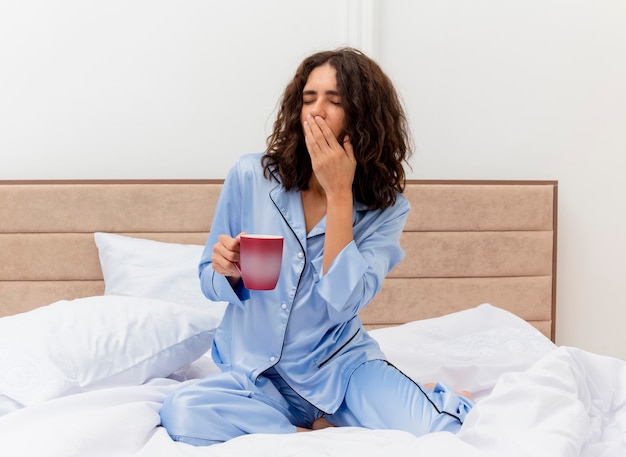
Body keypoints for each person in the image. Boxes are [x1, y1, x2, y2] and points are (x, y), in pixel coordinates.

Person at [159, 47, 473, 446]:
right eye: (309, 98)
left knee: (441, 432)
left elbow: (343, 301)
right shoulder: (250, 176)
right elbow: (208, 278)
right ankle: (310, 433)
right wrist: (227, 271)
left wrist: (340, 193)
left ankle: (428, 398)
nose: (316, 111)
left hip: (342, 371)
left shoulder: (386, 209)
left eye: (334, 100)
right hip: (257, 377)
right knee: (182, 413)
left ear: (363, 117)